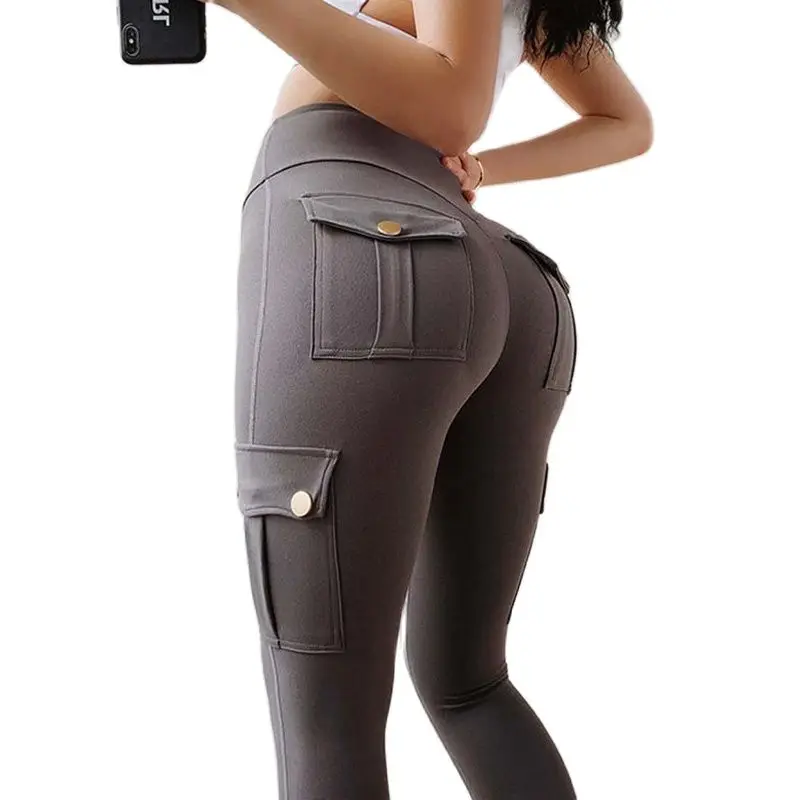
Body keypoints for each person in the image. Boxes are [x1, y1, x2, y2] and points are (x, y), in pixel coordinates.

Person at [204, 0, 652, 797]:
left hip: (361, 249)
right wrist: (483, 173)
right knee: (468, 684)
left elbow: (451, 105)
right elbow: (626, 123)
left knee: (326, 721)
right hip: (504, 283)